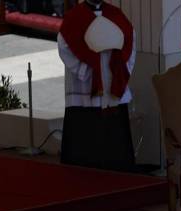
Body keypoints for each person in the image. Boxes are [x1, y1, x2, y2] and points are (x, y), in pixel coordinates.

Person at [57, 0, 136, 171]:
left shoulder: (116, 15)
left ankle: (119, 173)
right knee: (85, 143)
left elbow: (130, 42)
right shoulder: (74, 18)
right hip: (85, 90)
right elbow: (64, 45)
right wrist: (87, 71)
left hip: (112, 88)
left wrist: (121, 73)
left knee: (116, 143)